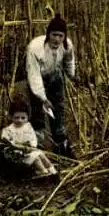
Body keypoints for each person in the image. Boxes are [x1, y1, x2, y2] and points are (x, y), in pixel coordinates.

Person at [26, 13, 76, 158]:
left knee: (58, 109)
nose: (57, 39)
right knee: (39, 113)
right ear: (48, 34)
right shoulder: (35, 48)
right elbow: (34, 75)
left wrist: (72, 76)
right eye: (54, 35)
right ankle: (39, 147)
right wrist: (42, 97)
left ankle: (61, 144)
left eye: (60, 35)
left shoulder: (67, 45)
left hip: (55, 76)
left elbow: (68, 61)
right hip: (38, 79)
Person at [1, 100, 57, 176]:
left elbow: (33, 138)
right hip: (18, 155)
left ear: (28, 117)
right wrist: (18, 147)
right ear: (11, 117)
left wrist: (32, 145)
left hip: (28, 150)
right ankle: (44, 172)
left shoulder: (28, 126)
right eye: (16, 117)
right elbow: (8, 142)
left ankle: (53, 171)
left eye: (23, 118)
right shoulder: (8, 130)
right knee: (36, 158)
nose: (20, 120)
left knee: (41, 155)